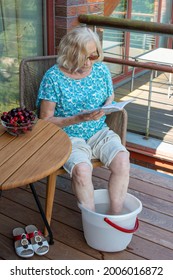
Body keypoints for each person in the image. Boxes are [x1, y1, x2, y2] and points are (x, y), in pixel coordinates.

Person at [37, 26, 130, 214]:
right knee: (82, 171)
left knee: (122, 160)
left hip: (98, 131)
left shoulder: (101, 70)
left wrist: (106, 109)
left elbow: (109, 96)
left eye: (93, 56)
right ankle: (92, 219)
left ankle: (115, 215)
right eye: (82, 58)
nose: (89, 63)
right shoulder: (53, 78)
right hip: (67, 137)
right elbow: (45, 120)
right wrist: (77, 118)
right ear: (69, 54)